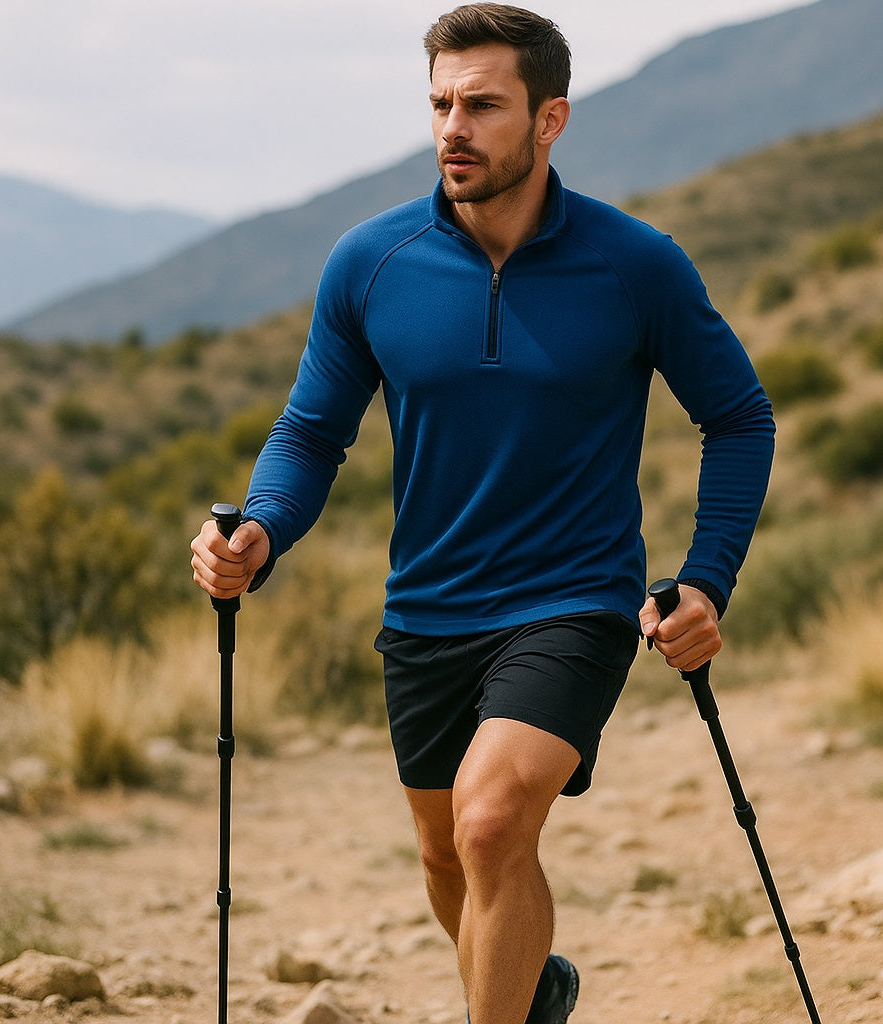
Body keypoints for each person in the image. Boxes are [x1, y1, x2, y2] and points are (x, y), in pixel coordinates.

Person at [191, 4, 775, 1022]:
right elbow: (310, 431)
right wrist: (261, 527)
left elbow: (736, 416)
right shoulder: (369, 262)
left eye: (482, 105)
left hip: (573, 600)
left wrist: (707, 577)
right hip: (426, 607)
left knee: (494, 821)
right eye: (439, 103)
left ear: (549, 120)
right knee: (447, 856)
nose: (452, 127)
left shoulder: (635, 264)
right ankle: (534, 982)